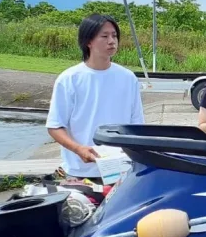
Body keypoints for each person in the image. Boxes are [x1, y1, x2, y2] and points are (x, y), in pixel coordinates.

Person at [46, 13, 144, 181]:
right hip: (81, 172)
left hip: (123, 170)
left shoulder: (128, 78)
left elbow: (137, 126)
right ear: (88, 41)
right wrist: (79, 149)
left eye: (114, 36)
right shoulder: (70, 79)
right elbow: (55, 126)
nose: (111, 41)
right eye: (104, 36)